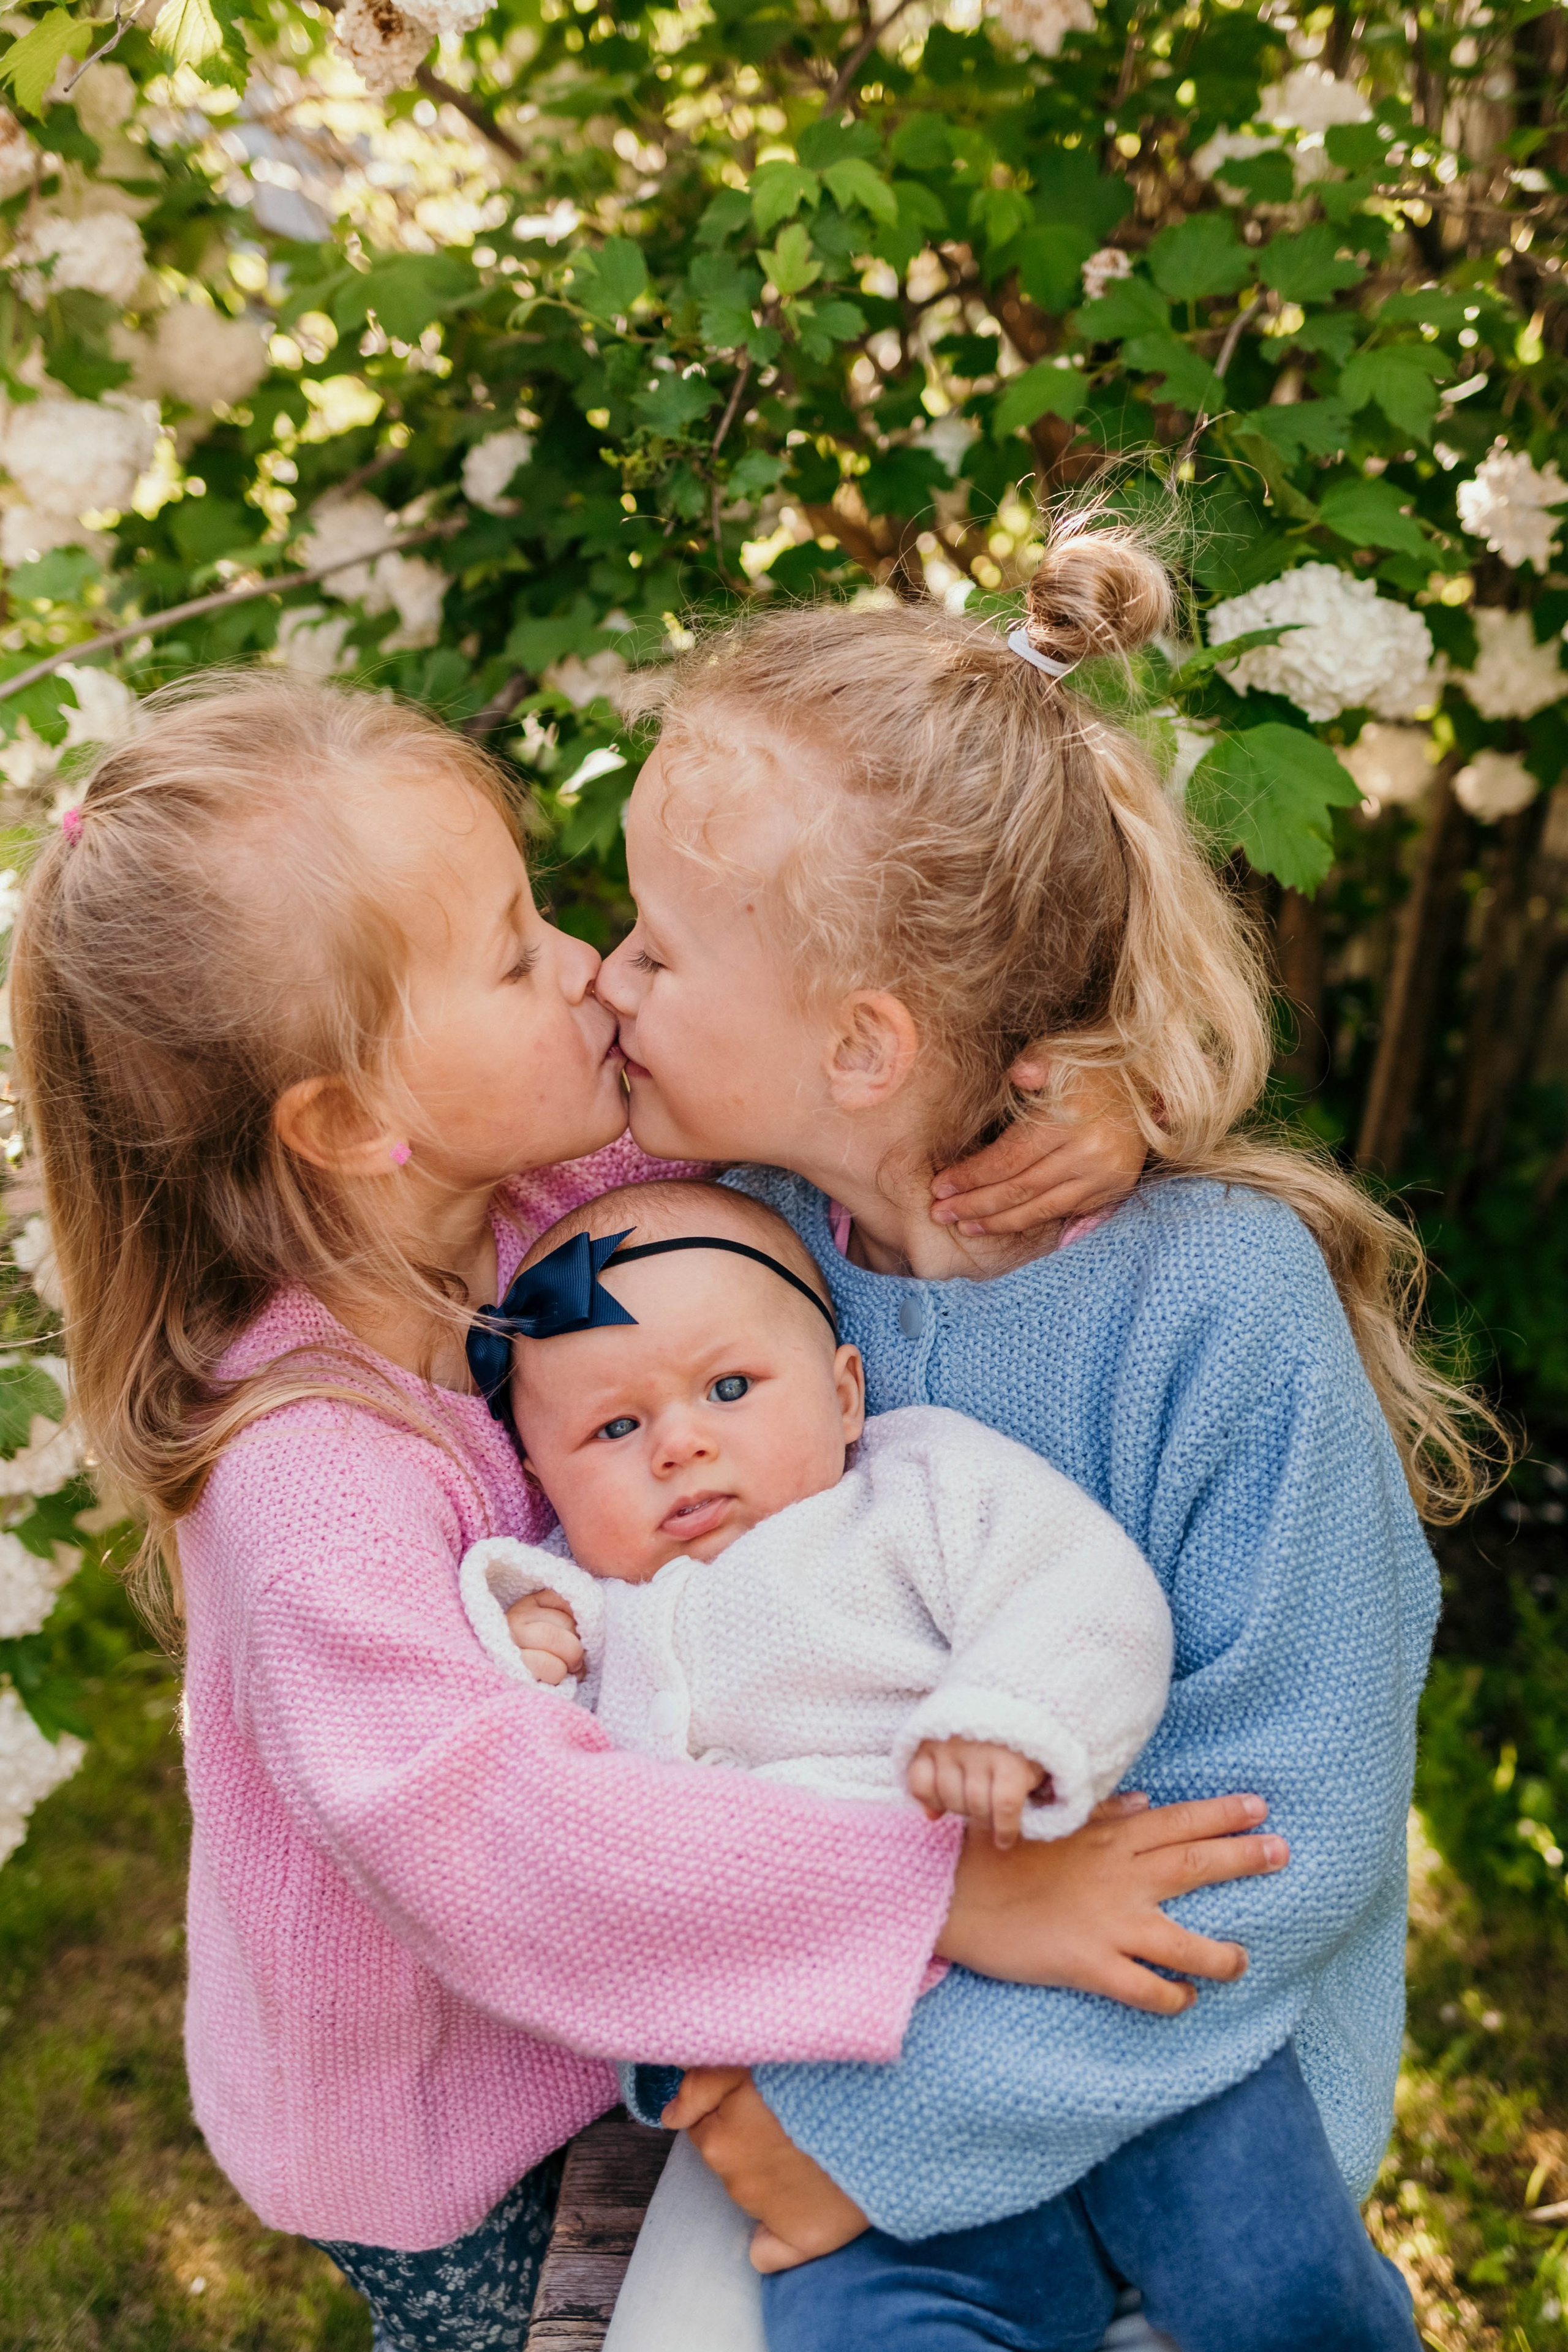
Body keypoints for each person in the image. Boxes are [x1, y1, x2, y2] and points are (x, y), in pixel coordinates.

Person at [7, 673, 1282, 2352]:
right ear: (357, 1124)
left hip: (671, 1994)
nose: (588, 967)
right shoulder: (306, 1474)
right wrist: (946, 1896)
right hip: (483, 2145)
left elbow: (842, 1109)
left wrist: (1091, 1095)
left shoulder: (561, 1201)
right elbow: (491, 1842)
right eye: (516, 949)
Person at [593, 513, 1497, 2349]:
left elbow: (1297, 1829)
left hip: (1195, 2099)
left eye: (657, 950)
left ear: (861, 1045)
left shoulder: (1217, 1306)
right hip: (857, 2023)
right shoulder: (728, 1250)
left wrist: (882, 2131)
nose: (609, 979)